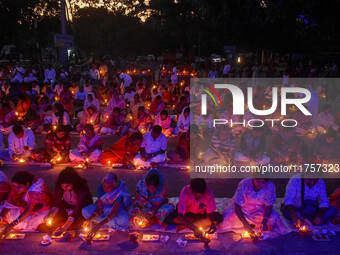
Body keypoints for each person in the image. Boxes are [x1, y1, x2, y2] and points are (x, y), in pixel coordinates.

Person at [220, 178, 286, 236]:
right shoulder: (245, 184)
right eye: (258, 181)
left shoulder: (270, 186)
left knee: (274, 218)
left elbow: (268, 206)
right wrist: (244, 222)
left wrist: (264, 221)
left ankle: (251, 226)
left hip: (259, 210)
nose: (260, 184)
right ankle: (251, 226)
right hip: (242, 210)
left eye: (263, 182)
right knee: (226, 217)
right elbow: (237, 205)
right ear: (253, 178)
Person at [41, 168, 92, 234]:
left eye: (68, 186)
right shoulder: (59, 186)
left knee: (81, 224)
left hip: (82, 208)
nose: (65, 188)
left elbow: (78, 207)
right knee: (54, 221)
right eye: (63, 185)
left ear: (74, 182)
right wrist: (51, 216)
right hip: (67, 207)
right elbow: (57, 202)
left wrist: (64, 227)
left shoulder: (82, 188)